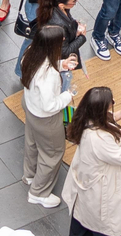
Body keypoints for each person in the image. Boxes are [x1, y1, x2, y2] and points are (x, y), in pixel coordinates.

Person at [62, 87, 121, 236]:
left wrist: (118, 115)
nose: (112, 104)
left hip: (84, 188)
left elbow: (102, 119)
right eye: (111, 103)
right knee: (97, 227)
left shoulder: (84, 119)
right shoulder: (99, 138)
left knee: (79, 225)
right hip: (98, 195)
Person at [21, 24, 76, 206]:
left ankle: (30, 174)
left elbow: (41, 65)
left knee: (32, 142)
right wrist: (69, 95)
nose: (63, 43)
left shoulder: (30, 52)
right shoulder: (49, 75)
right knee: (52, 153)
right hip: (45, 119)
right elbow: (50, 105)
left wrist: (61, 64)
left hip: (30, 107)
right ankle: (39, 193)